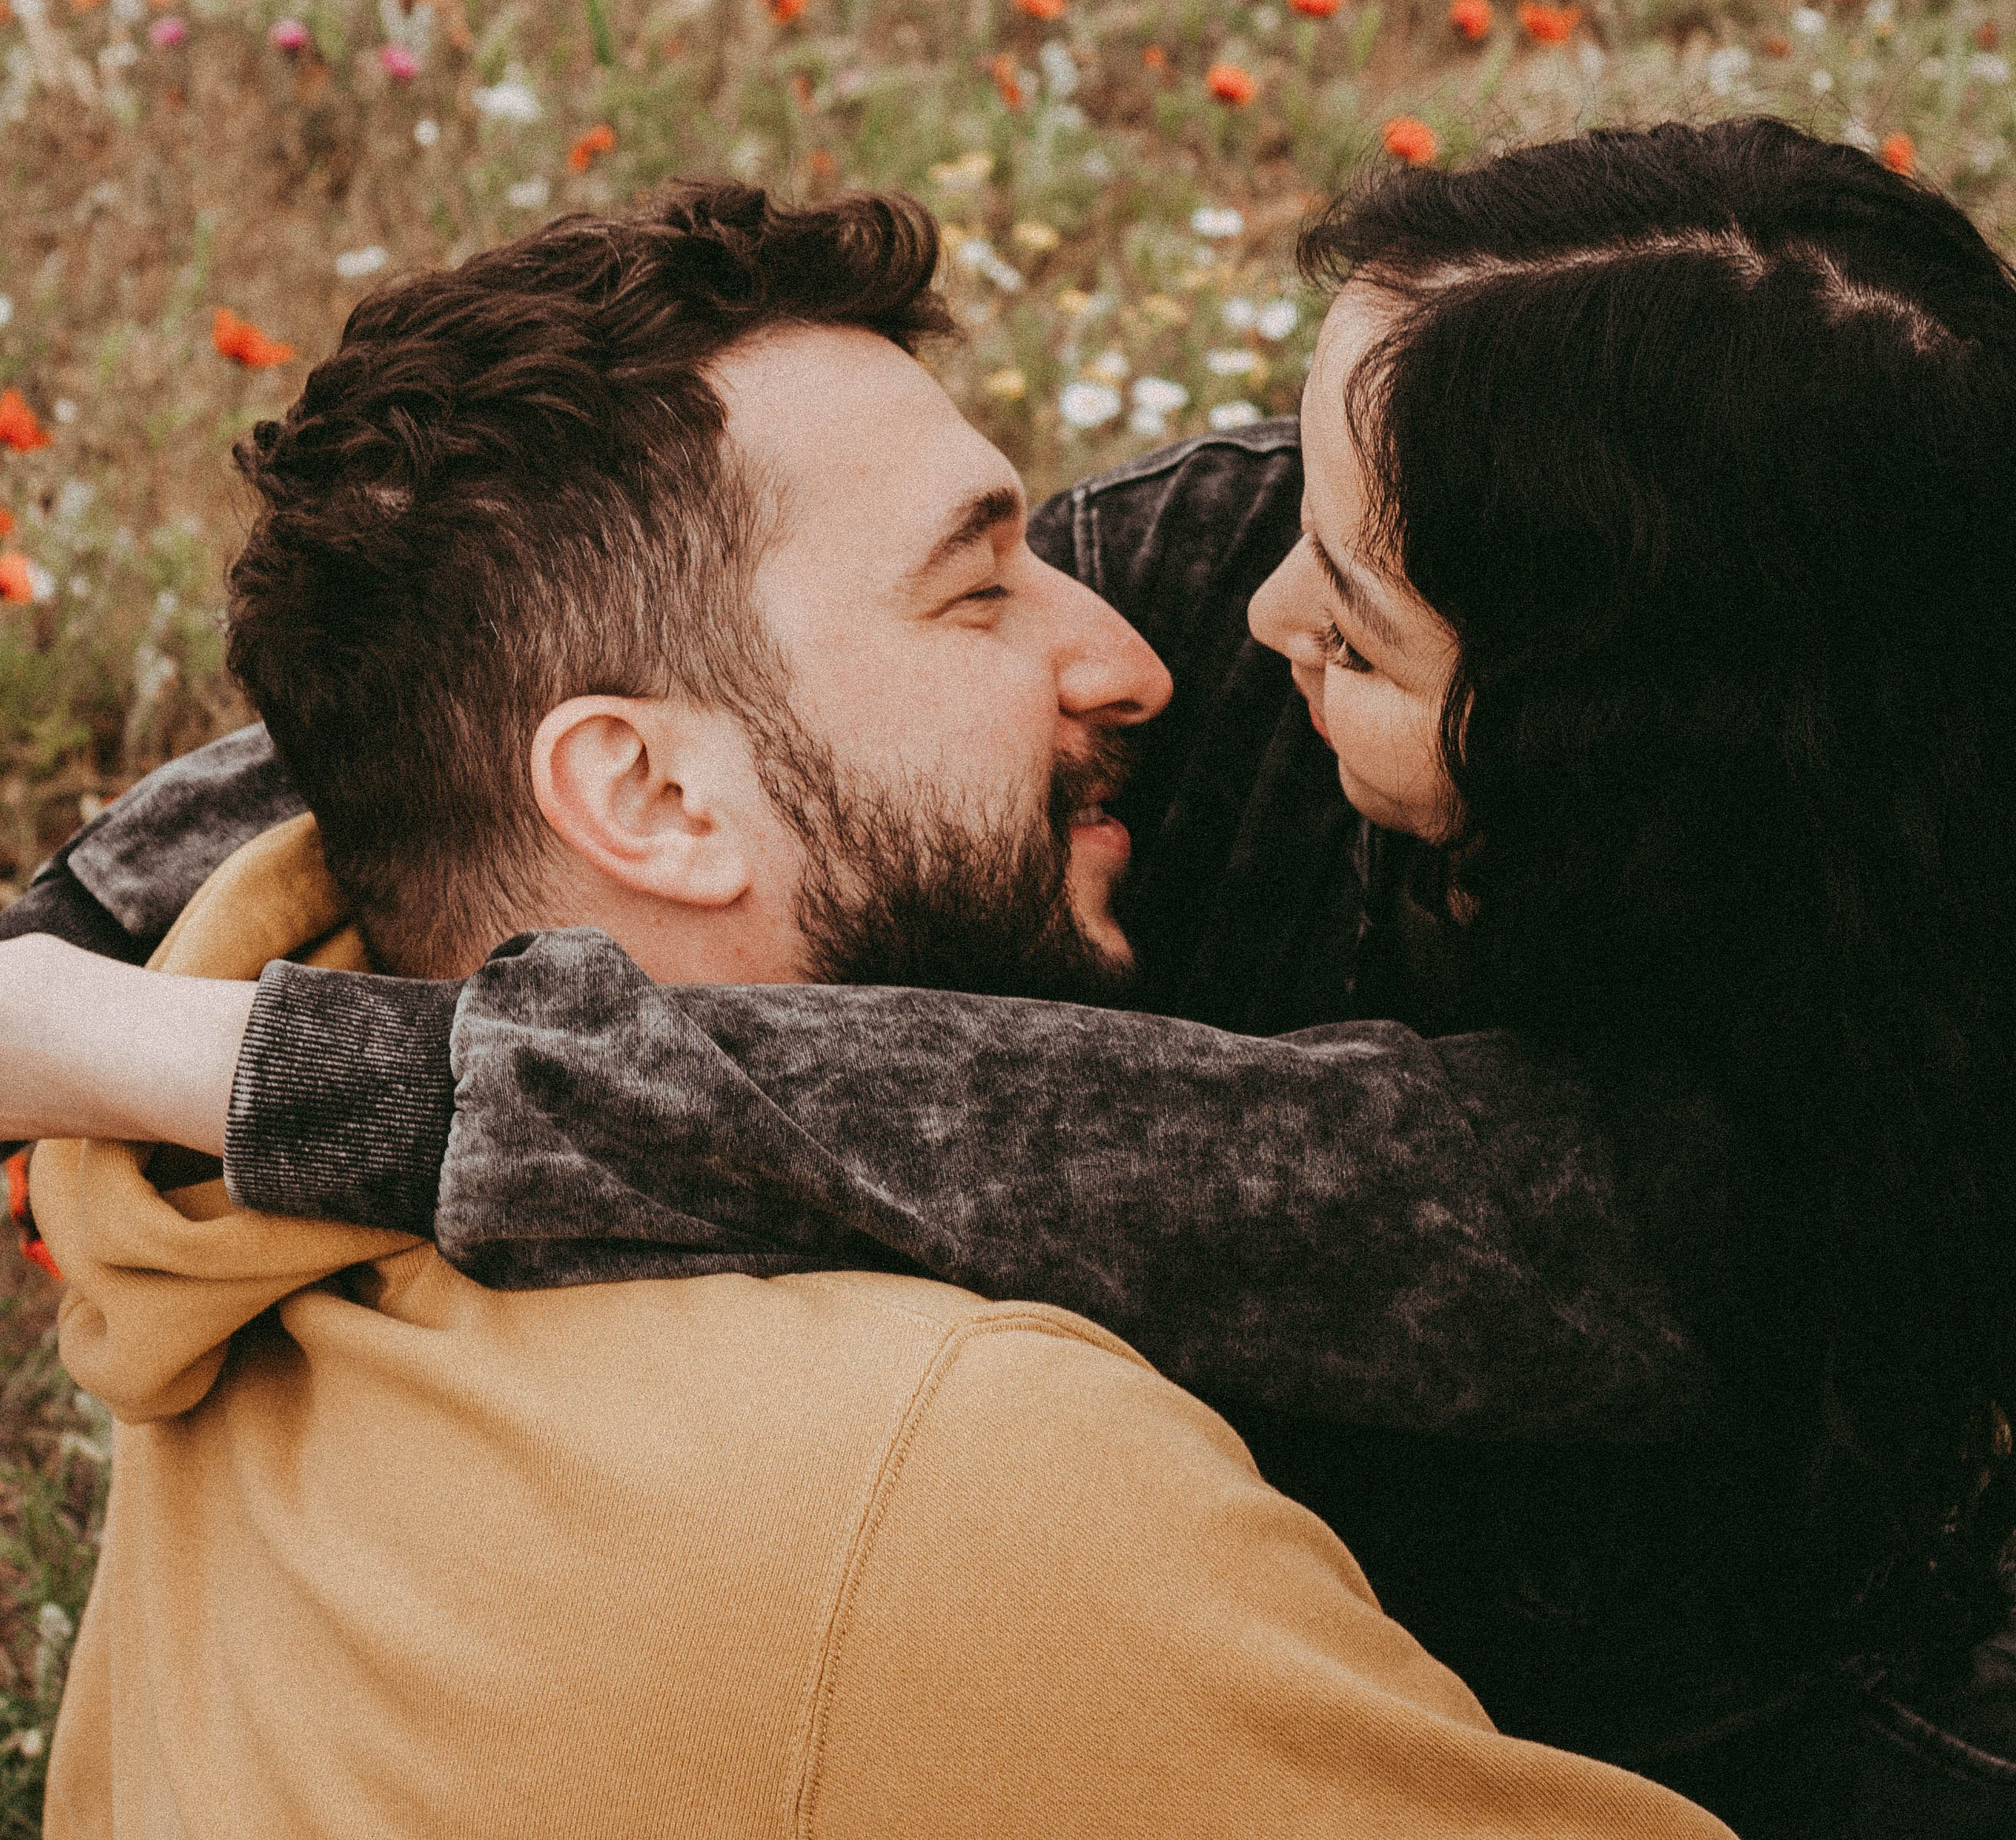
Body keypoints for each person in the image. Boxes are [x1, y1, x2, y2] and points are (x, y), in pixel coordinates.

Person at [9, 129, 2016, 1831]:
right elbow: (566, 653)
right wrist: (84, 915)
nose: (1220, 620)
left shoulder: (1718, 1186)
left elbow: (1123, 1157)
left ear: (1608, 768)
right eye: (1294, 506)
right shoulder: (1318, 573)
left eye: (1366, 632)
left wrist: (183, 1042)